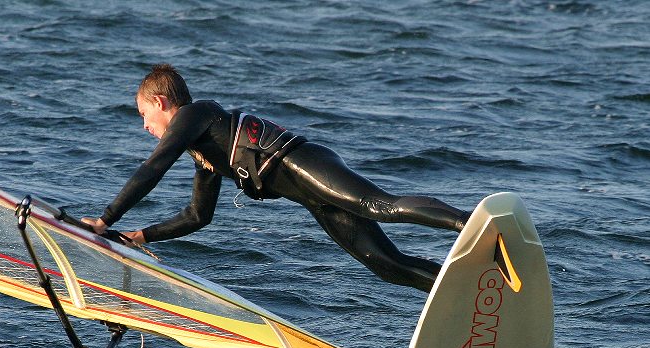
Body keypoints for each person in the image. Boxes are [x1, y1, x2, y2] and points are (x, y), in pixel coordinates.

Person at [82, 64, 470, 293]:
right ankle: (461, 291)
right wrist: (141, 236)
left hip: (307, 163)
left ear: (160, 103)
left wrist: (106, 219)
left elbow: (153, 168)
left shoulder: (196, 113)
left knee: (379, 205)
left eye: (143, 115)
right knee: (384, 263)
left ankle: (469, 223)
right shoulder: (204, 151)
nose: (145, 126)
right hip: (313, 198)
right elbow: (199, 216)